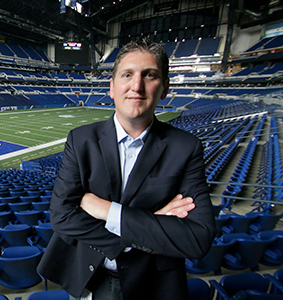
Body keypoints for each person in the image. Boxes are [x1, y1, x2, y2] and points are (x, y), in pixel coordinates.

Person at [37, 38, 216, 300]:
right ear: (112, 87)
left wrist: (107, 210)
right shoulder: (80, 140)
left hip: (153, 283)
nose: (137, 86)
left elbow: (198, 238)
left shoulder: (186, 148)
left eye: (150, 75)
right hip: (90, 276)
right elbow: (62, 217)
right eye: (127, 75)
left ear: (165, 88)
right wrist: (151, 222)